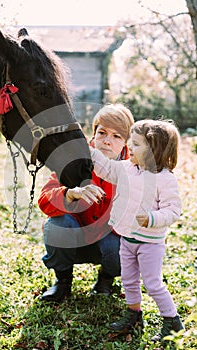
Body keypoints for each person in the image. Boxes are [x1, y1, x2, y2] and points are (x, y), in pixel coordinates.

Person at [90, 119, 184, 342]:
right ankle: (134, 314)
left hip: (150, 243)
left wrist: (152, 218)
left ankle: (172, 321)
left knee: (153, 284)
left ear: (154, 150)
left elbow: (173, 210)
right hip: (127, 239)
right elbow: (105, 168)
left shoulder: (165, 178)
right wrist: (90, 150)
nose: (129, 147)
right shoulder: (125, 168)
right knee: (129, 280)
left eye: (136, 144)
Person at [37, 104, 134, 302]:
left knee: (121, 245)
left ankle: (105, 280)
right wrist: (70, 194)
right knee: (56, 226)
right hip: (75, 234)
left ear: (126, 142)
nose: (107, 141)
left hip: (108, 240)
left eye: (117, 136)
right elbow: (44, 198)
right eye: (102, 133)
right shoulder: (76, 159)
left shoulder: (133, 170)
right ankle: (63, 283)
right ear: (94, 134)